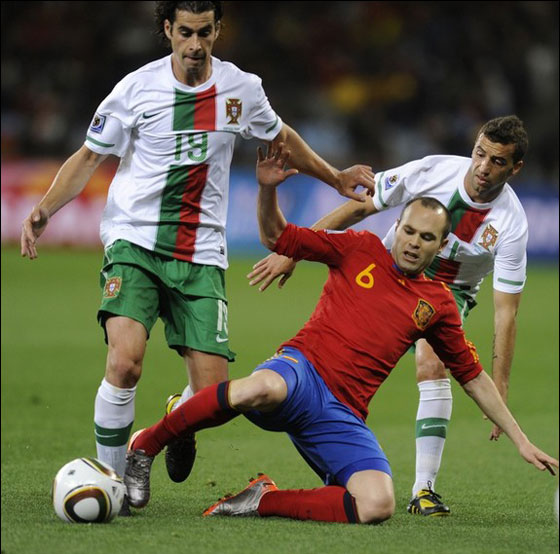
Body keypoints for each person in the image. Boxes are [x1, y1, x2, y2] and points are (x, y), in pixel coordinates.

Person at [19, 0, 376, 506]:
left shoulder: (241, 89)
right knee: (125, 362)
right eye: (185, 32)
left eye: (204, 32)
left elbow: (282, 137)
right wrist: (45, 208)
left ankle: (170, 420)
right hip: (136, 241)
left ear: (217, 31)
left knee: (214, 396)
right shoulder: (136, 88)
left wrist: (335, 177)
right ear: (167, 29)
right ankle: (114, 481)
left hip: (201, 251)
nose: (194, 44)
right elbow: (89, 156)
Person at [123, 144, 557, 525]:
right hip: (300, 373)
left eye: (426, 237)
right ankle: (146, 444)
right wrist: (267, 190)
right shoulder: (359, 248)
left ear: (440, 246)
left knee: (377, 504)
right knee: (262, 386)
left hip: (343, 413)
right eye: (408, 231)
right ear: (397, 225)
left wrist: (521, 440)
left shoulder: (438, 305)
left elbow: (472, 376)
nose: (412, 242)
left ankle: (262, 500)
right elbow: (276, 235)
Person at [247, 115, 531, 516]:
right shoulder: (433, 171)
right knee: (326, 357)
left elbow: (507, 311)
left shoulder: (512, 224)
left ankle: (424, 489)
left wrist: (500, 388)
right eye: (480, 154)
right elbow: (363, 205)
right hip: (388, 272)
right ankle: (196, 399)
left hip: (450, 291)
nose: (483, 167)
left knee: (432, 363)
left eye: (497, 161)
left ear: (515, 168)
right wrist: (293, 251)